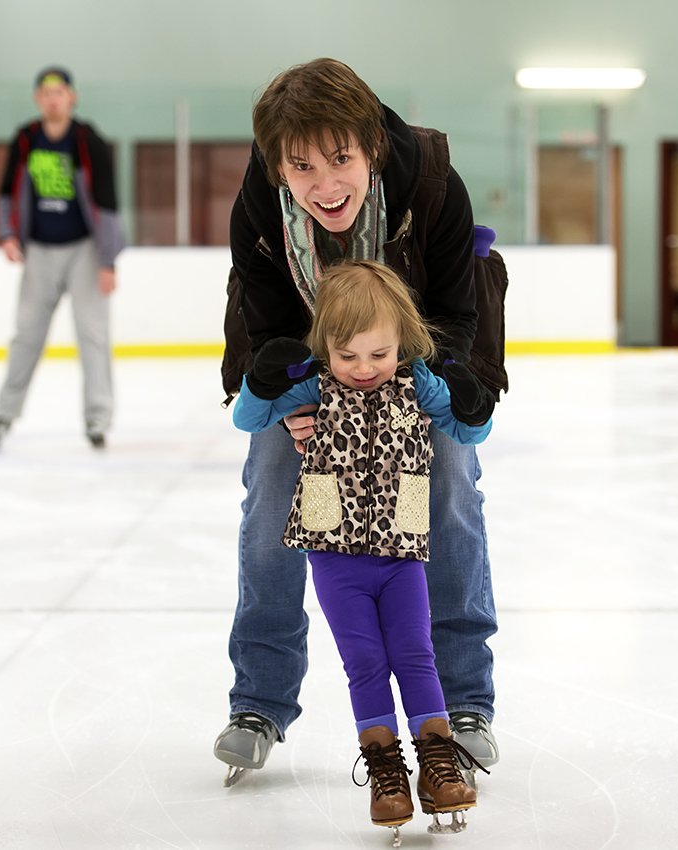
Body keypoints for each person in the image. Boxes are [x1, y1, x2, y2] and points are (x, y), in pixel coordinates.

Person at [215, 58, 506, 784]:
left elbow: (456, 313)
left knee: (450, 491)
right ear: (280, 167)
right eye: (303, 167)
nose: (325, 184)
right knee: (273, 496)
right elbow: (267, 321)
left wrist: (425, 398)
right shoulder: (258, 208)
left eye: (340, 159)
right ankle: (260, 701)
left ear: (371, 146)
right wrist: (295, 404)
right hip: (311, 376)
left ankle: (464, 701)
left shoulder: (434, 182)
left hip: (418, 367)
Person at [231, 261, 490, 842]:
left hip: (401, 547)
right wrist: (262, 380)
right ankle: (386, 773)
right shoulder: (311, 382)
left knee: (414, 653)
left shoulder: (418, 380)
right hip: (334, 551)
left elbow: (466, 432)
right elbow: (249, 417)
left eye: (379, 354)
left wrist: (474, 406)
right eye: (348, 356)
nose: (364, 369)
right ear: (325, 345)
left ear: (402, 339)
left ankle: (439, 763)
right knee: (366, 662)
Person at [0, 66, 124, 450]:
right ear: (37, 99)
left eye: (59, 92)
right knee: (26, 335)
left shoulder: (86, 140)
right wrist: (6, 233)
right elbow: (6, 191)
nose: (52, 99)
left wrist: (109, 259)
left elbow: (108, 201)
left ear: (71, 97)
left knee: (92, 335)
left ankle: (97, 419)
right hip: (40, 251)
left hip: (85, 251)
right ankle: (4, 415)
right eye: (45, 93)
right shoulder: (26, 139)